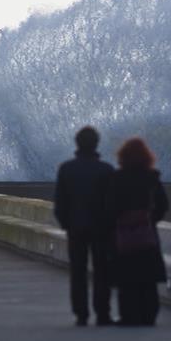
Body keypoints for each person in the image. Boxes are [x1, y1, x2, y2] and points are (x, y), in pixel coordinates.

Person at [54, 126, 115, 326]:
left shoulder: (67, 169)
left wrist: (66, 224)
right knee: (102, 271)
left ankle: (81, 314)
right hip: (101, 229)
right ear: (96, 144)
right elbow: (112, 203)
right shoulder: (106, 170)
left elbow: (60, 203)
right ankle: (103, 313)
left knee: (78, 272)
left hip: (76, 228)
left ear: (77, 143)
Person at [107, 137, 169, 326]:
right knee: (148, 277)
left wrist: (119, 221)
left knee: (127, 277)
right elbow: (163, 205)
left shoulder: (117, 178)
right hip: (146, 233)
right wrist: (149, 220)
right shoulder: (152, 178)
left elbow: (109, 206)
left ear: (122, 156)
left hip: (124, 233)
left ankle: (129, 316)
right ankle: (149, 316)